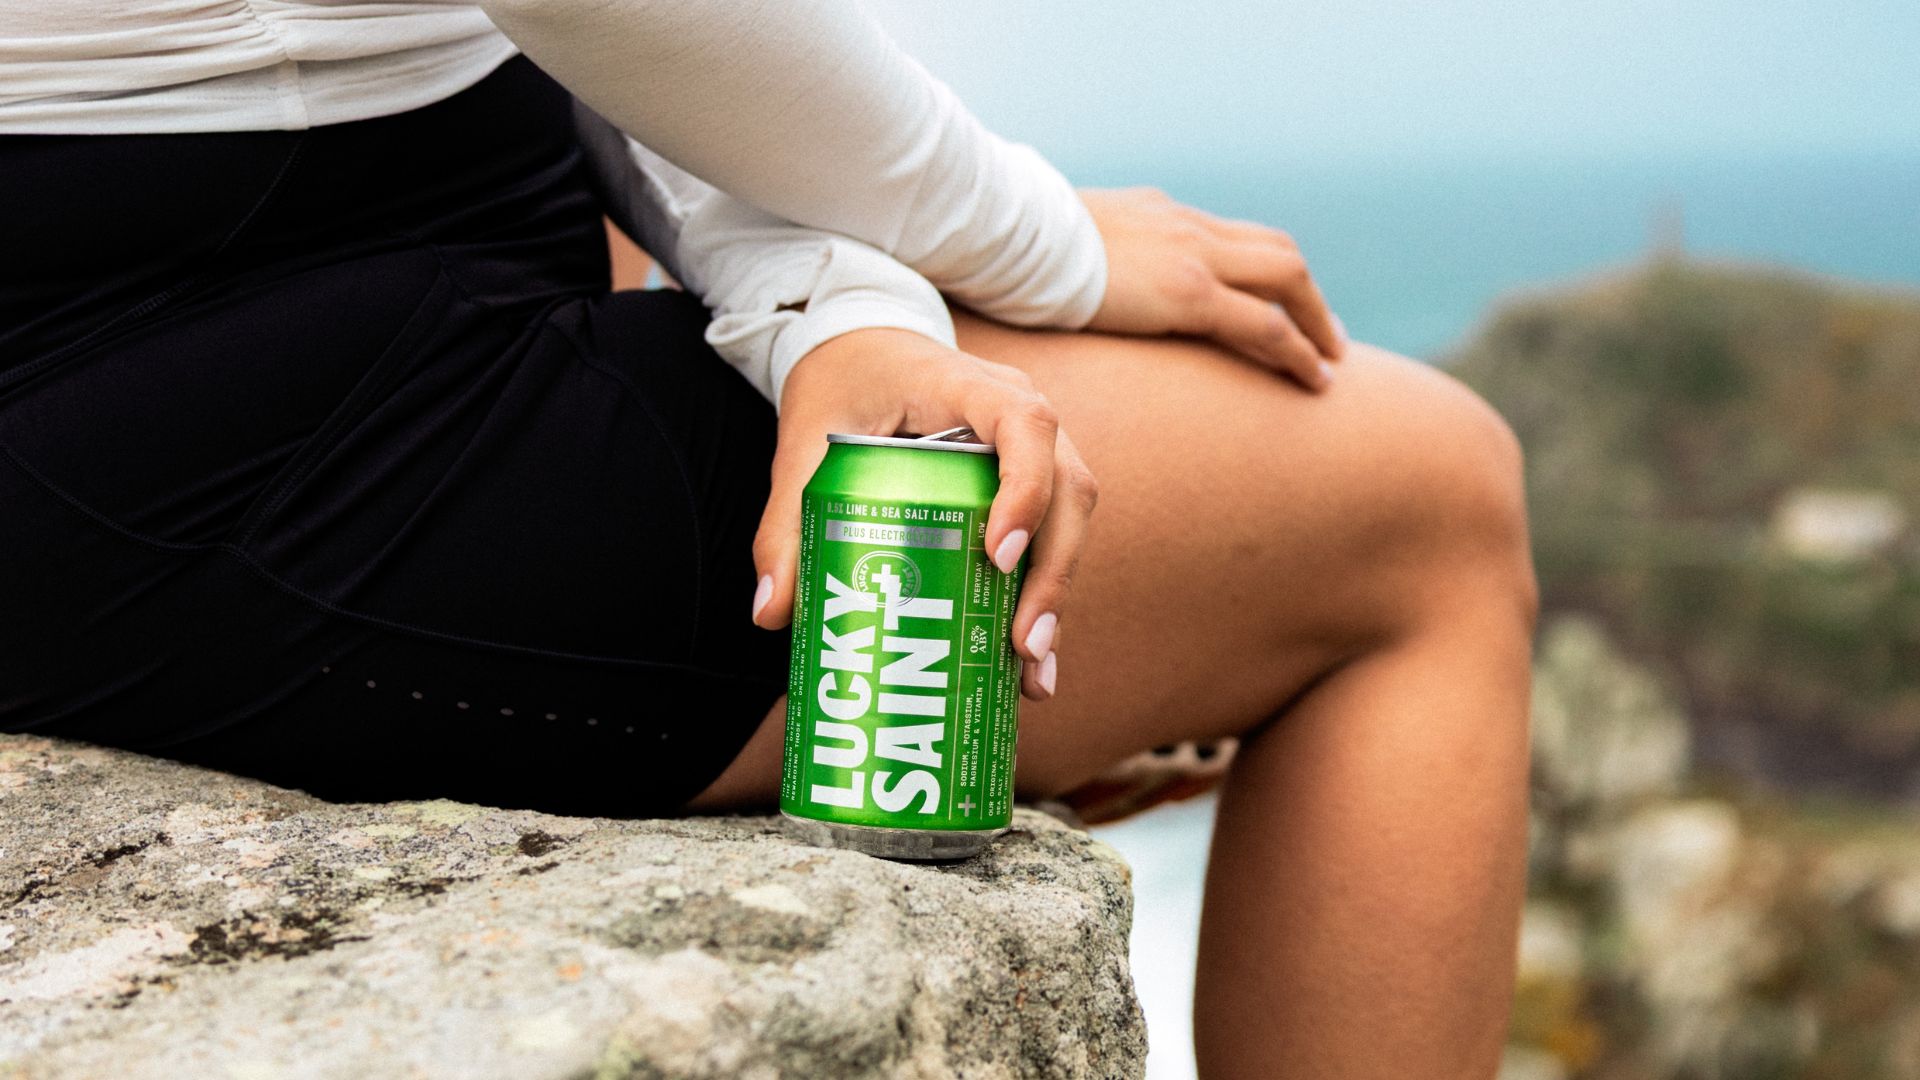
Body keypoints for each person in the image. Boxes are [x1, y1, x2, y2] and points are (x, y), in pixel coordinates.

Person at [0, 3, 1535, 1076]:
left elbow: (543, 39)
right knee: (1424, 499)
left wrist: (837, 308)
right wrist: (1019, 232)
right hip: (182, 390)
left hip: (304, 274)